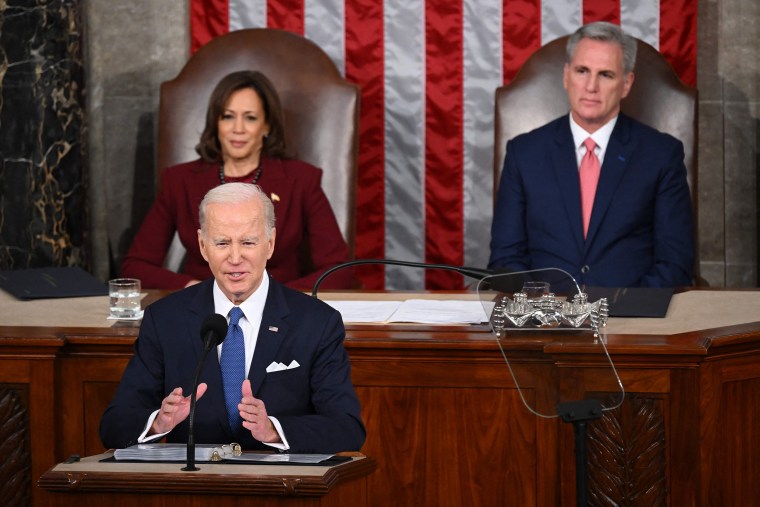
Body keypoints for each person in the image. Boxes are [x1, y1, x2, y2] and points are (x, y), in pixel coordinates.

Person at [100, 183, 366, 453]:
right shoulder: (165, 320)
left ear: (270, 244)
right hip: (193, 488)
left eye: (248, 242)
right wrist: (159, 423)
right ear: (203, 246)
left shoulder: (316, 322)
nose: (235, 258)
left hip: (281, 487)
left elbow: (347, 429)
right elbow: (114, 426)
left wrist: (273, 430)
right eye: (222, 243)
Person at [488, 22, 694, 288]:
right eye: (582, 71)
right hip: (544, 320)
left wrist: (626, 312)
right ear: (566, 76)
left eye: (606, 75)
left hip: (631, 320)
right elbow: (506, 258)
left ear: (626, 84)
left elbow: (674, 264)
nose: (591, 86)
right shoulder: (524, 153)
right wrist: (542, 312)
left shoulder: (661, 155)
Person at [121, 70, 353, 290]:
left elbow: (339, 271)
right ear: (216, 123)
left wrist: (277, 297)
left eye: (250, 118)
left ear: (267, 126)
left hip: (280, 311)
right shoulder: (179, 181)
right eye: (228, 117)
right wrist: (194, 289)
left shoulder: (301, 180)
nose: (238, 129)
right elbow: (136, 266)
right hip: (206, 312)